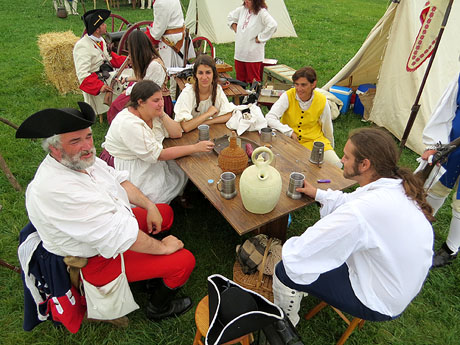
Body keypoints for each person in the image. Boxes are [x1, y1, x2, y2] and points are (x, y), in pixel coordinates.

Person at [16, 101, 195, 321]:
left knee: (163, 212)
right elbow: (117, 234)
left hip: (113, 225)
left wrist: (149, 206)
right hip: (96, 256)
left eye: (88, 137)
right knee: (183, 261)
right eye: (75, 141)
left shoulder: (78, 160)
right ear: (54, 148)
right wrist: (162, 248)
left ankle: (151, 276)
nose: (86, 146)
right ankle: (158, 307)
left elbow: (118, 179)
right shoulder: (56, 189)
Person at [272, 128, 434, 326]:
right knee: (314, 261)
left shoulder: (362, 211)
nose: (341, 159)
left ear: (364, 164)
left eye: (347, 157)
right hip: (397, 280)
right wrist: (317, 193)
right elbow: (349, 200)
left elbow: (304, 251)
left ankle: (283, 324)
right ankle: (304, 288)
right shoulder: (393, 185)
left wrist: (285, 251)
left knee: (285, 270)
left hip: (379, 299)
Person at [104, 80, 215, 204]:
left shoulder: (149, 112)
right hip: (130, 166)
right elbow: (159, 155)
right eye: (156, 100)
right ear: (140, 102)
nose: (161, 103)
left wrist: (161, 114)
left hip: (147, 157)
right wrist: (195, 148)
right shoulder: (130, 124)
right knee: (155, 196)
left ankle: (182, 193)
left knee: (182, 167)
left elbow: (176, 133)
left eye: (161, 99)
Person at [266, 67, 342, 168]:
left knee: (337, 164)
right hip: (290, 141)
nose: (299, 89)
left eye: (303, 85)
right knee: (288, 165)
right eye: (296, 84)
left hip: (314, 140)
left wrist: (330, 148)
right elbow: (270, 117)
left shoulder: (322, 100)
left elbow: (327, 127)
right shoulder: (288, 95)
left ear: (313, 84)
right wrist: (289, 131)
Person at [420, 72, 460, 267]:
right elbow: (446, 109)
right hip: (454, 145)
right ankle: (420, 228)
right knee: (438, 185)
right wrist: (435, 145)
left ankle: (451, 249)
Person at [107, 30, 173, 124]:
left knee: (117, 106)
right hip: (148, 96)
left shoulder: (154, 65)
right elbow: (144, 79)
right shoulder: (150, 59)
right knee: (119, 103)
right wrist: (127, 81)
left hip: (155, 101)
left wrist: (128, 91)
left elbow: (147, 88)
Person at [73, 9, 130, 115]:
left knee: (132, 73)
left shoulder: (100, 40)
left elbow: (110, 59)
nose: (105, 25)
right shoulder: (82, 46)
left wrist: (129, 60)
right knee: (129, 79)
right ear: (97, 29)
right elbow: (82, 75)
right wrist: (100, 86)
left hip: (107, 74)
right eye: (103, 24)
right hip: (99, 80)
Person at [174, 55, 236, 132]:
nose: (204, 77)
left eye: (208, 72)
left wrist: (207, 122)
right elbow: (186, 126)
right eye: (200, 73)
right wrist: (208, 114)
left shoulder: (216, 90)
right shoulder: (188, 93)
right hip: (187, 136)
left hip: (205, 130)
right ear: (195, 75)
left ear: (213, 74)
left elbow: (229, 115)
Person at [146, 0, 195, 98]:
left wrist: (150, 32)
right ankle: (180, 95)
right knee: (179, 71)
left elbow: (157, 32)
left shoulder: (160, 3)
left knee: (172, 72)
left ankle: (174, 98)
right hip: (180, 36)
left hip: (170, 40)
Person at [228, 0, 277, 83]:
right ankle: (241, 96)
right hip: (240, 53)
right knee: (240, 79)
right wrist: (236, 28)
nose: (246, 1)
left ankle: (253, 96)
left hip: (252, 55)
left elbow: (273, 25)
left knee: (253, 80)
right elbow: (230, 17)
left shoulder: (261, 13)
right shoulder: (242, 10)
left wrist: (260, 37)